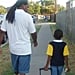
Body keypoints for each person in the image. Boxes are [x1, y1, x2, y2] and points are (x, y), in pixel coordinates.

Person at [0, 0, 38, 75]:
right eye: (27, 5)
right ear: (22, 5)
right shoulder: (27, 16)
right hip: (24, 50)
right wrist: (35, 41)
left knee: (16, 71)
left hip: (13, 50)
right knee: (22, 72)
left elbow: (2, 32)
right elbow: (33, 32)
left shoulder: (7, 15)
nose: (28, 7)